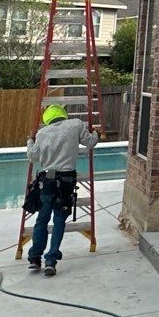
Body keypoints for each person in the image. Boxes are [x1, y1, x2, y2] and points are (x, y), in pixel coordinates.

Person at [25, 103, 96, 276]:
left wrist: (30, 141)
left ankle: (35, 257)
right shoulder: (75, 124)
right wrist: (96, 133)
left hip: (47, 182)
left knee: (42, 220)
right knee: (59, 220)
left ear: (47, 119)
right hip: (65, 182)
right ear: (63, 114)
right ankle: (51, 261)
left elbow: (33, 156)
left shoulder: (42, 133)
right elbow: (90, 142)